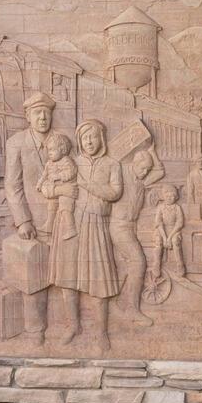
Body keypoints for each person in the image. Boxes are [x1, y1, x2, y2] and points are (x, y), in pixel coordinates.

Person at [49, 119, 122, 352]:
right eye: (85, 138)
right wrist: (58, 189)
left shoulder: (112, 164)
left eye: (93, 136)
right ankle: (73, 326)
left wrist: (89, 186)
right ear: (79, 142)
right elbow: (45, 185)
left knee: (99, 279)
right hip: (71, 224)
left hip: (96, 223)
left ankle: (101, 332)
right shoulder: (71, 161)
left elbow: (115, 192)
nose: (89, 141)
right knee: (68, 278)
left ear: (101, 138)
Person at [2, 91, 59, 345]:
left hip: (62, 220)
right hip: (33, 223)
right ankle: (35, 331)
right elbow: (12, 185)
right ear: (28, 116)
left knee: (63, 274)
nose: (43, 117)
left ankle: (63, 326)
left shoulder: (61, 142)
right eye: (37, 113)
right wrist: (23, 220)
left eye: (46, 113)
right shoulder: (16, 143)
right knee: (33, 274)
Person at [109, 148, 163, 326]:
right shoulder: (121, 172)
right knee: (138, 262)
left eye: (148, 169)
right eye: (143, 168)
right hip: (119, 226)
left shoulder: (142, 180)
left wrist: (152, 152)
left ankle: (121, 302)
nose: (145, 172)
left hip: (131, 226)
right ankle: (132, 309)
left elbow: (160, 171)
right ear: (134, 163)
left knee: (126, 266)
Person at [36, 132, 78, 241]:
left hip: (68, 188)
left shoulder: (66, 161)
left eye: (53, 150)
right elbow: (44, 175)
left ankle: (71, 228)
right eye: (49, 150)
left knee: (65, 205)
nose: (50, 153)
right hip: (55, 189)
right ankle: (49, 224)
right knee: (51, 204)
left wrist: (59, 176)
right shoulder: (49, 163)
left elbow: (72, 172)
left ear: (63, 150)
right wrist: (40, 183)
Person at [149, 184, 186, 281]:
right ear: (164, 196)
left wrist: (169, 238)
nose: (170, 198)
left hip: (174, 230)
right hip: (162, 230)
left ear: (176, 197)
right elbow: (158, 223)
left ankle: (180, 264)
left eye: (172, 196)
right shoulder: (160, 207)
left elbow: (179, 223)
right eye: (167, 196)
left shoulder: (177, 207)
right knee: (158, 241)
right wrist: (165, 238)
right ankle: (156, 264)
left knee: (175, 242)